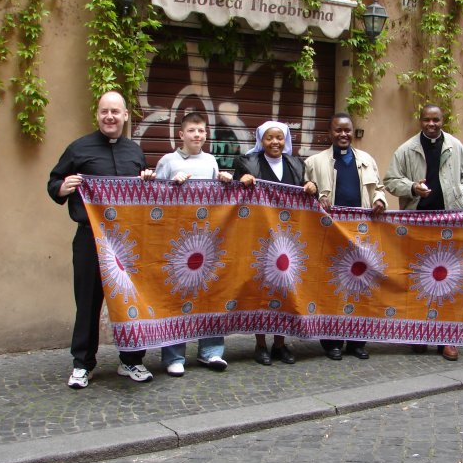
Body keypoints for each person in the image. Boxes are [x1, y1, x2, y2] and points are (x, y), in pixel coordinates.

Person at [48, 91, 155, 389]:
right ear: (97, 115)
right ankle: (83, 364)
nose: (110, 116)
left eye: (115, 112)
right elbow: (53, 182)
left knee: (129, 301)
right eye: (104, 111)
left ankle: (131, 360)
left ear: (124, 116)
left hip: (127, 241)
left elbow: (142, 194)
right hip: (90, 240)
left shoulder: (135, 152)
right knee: (88, 303)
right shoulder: (78, 149)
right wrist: (63, 186)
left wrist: (147, 180)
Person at [383, 104, 463, 361]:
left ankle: (447, 338)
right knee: (419, 280)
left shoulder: (456, 147)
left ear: (443, 120)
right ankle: (420, 334)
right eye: (426, 120)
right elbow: (390, 180)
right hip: (417, 222)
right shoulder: (406, 149)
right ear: (420, 120)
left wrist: (460, 192)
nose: (431, 124)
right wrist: (412, 187)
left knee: (449, 281)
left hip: (449, 222)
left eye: (436, 120)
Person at [233, 121, 318, 366]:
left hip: (289, 238)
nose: (275, 143)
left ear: (286, 140)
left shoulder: (296, 163)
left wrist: (312, 187)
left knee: (285, 287)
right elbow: (233, 194)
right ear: (261, 140)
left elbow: (306, 190)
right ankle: (260, 345)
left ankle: (280, 344)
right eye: (269, 138)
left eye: (279, 138)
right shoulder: (246, 163)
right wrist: (243, 181)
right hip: (258, 237)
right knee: (261, 288)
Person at [154, 112, 233, 376]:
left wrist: (223, 180)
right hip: (177, 241)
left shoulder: (211, 160)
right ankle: (174, 357)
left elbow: (218, 198)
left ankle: (211, 353)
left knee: (210, 294)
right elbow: (153, 196)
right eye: (192, 131)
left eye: (201, 130)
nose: (197, 135)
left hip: (207, 239)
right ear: (181, 134)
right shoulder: (168, 161)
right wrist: (170, 184)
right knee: (177, 297)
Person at [305, 112, 386, 361]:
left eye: (347, 130)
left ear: (352, 132)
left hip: (362, 234)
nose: (343, 134)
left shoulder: (366, 160)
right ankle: (332, 342)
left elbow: (379, 189)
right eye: (338, 130)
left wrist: (379, 200)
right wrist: (318, 198)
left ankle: (357, 341)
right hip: (329, 234)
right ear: (330, 133)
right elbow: (304, 193)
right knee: (332, 287)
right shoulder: (314, 162)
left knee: (360, 285)